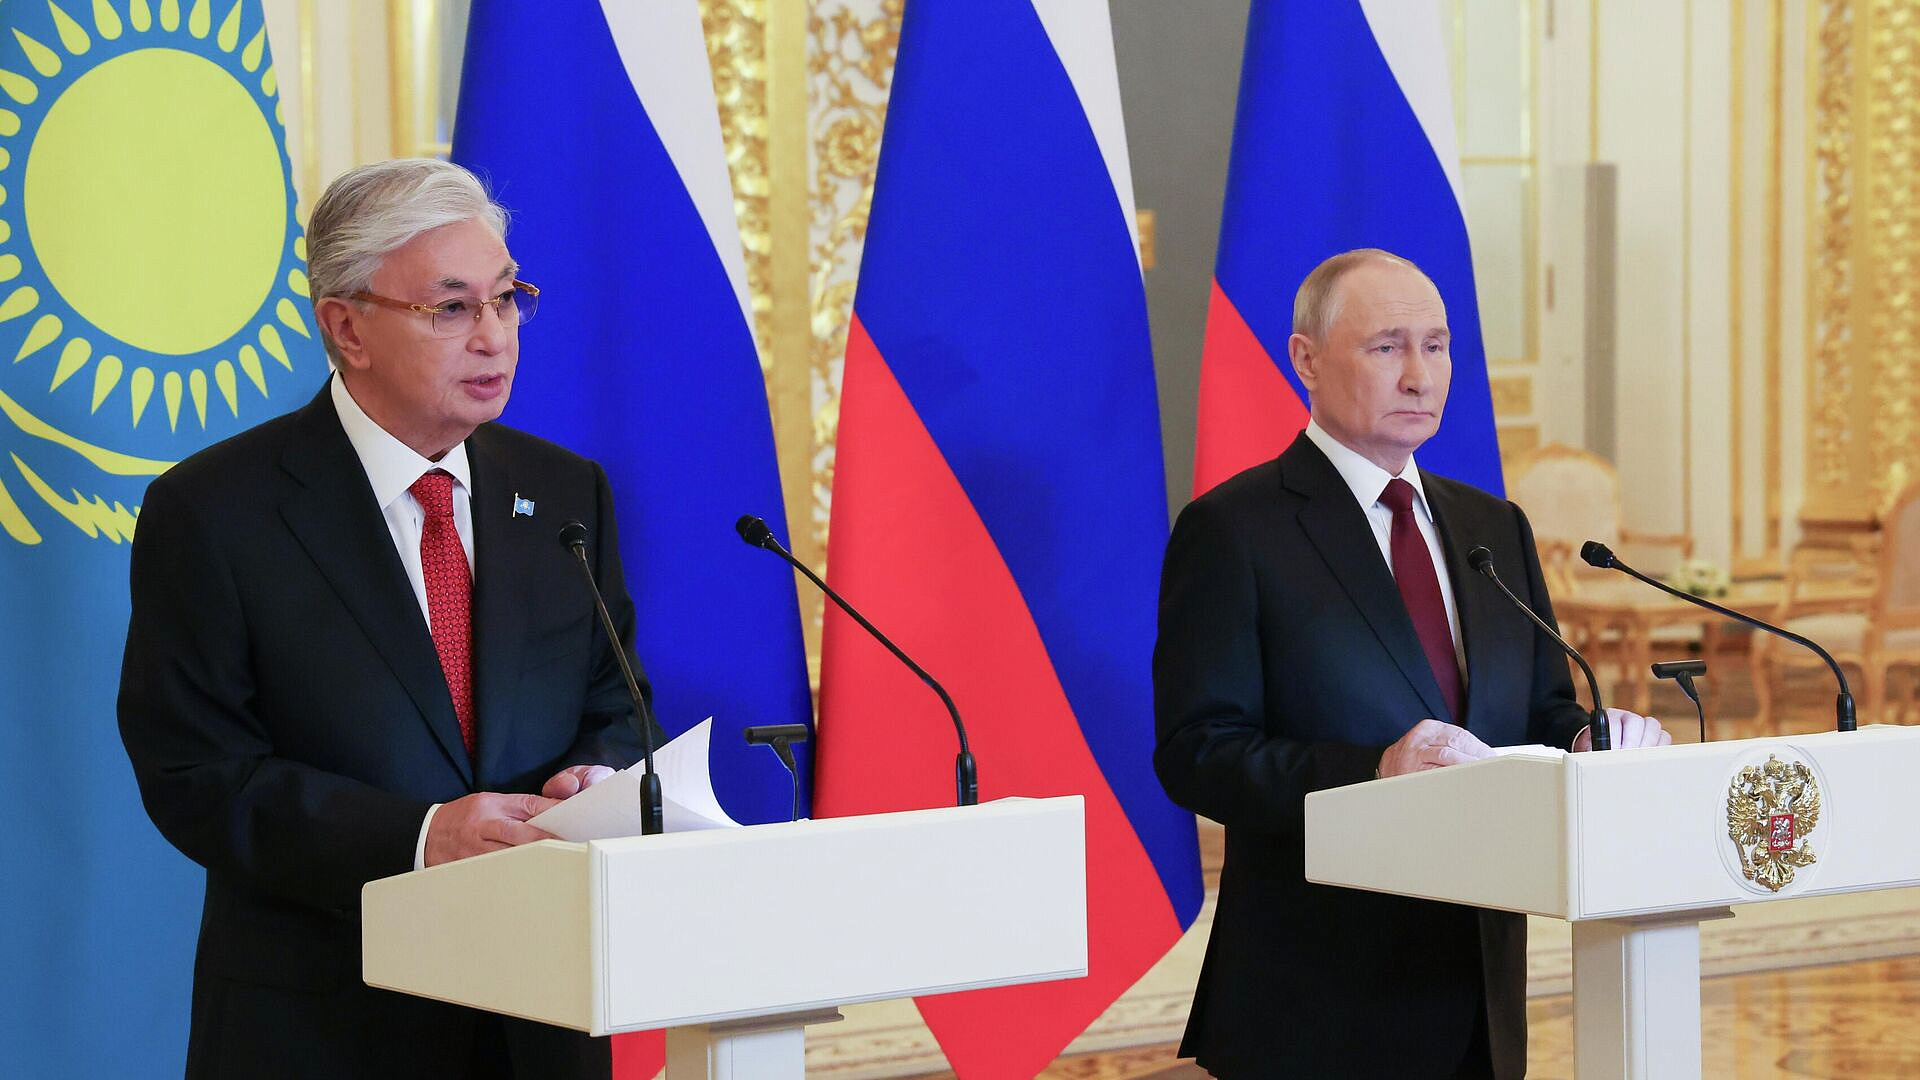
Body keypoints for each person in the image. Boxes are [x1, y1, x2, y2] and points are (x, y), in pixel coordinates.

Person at [118, 159, 656, 1080]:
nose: (493, 337)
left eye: (506, 299)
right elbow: (196, 775)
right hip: (324, 1027)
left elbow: (615, 699)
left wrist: (591, 778)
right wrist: (420, 836)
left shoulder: (565, 492)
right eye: (451, 308)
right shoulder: (215, 511)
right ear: (346, 328)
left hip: (542, 1013)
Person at [1153, 248, 1670, 1078]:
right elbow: (1198, 753)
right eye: (1387, 346)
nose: (1420, 376)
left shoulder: (1492, 528)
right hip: (1317, 1003)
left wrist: (1587, 739)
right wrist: (1376, 770)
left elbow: (1539, 710)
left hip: (1479, 996)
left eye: (1436, 346)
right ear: (1306, 360)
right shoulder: (1236, 531)